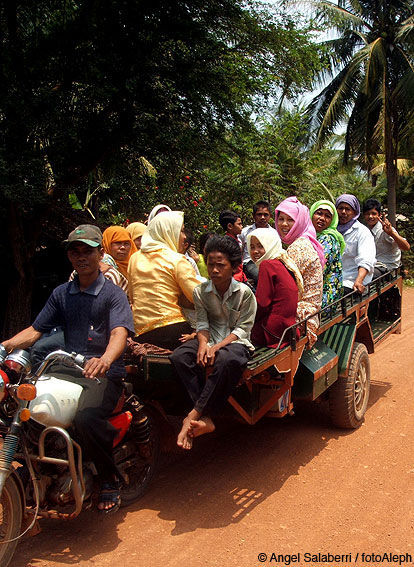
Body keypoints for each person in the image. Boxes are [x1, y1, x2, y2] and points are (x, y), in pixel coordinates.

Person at [1, 224, 134, 513]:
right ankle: (35, 470)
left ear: (100, 253)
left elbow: (119, 334)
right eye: (75, 251)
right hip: (67, 370)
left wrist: (105, 360)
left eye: (88, 251)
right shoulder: (62, 293)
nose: (81, 256)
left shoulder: (113, 294)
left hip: (104, 374)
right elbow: (36, 330)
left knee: (86, 419)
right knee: (24, 409)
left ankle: (109, 479)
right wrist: (5, 345)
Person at [169, 236, 256, 449]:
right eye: (210, 264)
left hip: (237, 343)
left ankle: (194, 413)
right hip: (209, 339)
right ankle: (206, 416)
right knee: (179, 357)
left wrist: (216, 347)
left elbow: (242, 330)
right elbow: (202, 324)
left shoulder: (244, 293)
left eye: (220, 265)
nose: (214, 270)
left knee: (226, 360)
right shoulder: (200, 292)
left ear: (233, 267)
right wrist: (202, 345)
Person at [128, 211, 201, 349]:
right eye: (181, 231)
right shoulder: (176, 259)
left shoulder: (134, 258)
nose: (184, 237)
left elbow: (133, 296)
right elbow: (197, 296)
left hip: (141, 332)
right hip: (172, 329)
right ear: (169, 232)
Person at [275, 197, 324, 348]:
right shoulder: (303, 240)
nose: (284, 224)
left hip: (303, 314)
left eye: (290, 220)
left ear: (300, 221)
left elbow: (286, 288)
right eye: (281, 218)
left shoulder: (298, 247)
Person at [247, 228, 302, 348]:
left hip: (273, 329)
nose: (255, 251)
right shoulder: (281, 262)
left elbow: (262, 303)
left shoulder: (267, 265)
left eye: (260, 246)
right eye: (252, 247)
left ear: (270, 245)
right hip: (288, 327)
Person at [336, 194, 376, 294]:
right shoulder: (331, 230)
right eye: (340, 208)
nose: (343, 212)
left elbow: (366, 259)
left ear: (354, 212)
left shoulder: (362, 232)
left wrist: (358, 281)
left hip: (351, 280)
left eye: (347, 209)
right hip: (333, 280)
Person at [310, 199, 345, 307]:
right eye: (319, 213)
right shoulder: (311, 236)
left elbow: (319, 269)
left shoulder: (328, 239)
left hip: (324, 296)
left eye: (327, 216)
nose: (322, 218)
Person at [362, 198, 410, 278]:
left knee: (365, 276)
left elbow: (406, 247)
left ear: (380, 215)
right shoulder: (364, 230)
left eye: (374, 214)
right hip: (371, 265)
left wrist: (391, 233)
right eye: (367, 214)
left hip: (387, 267)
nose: (370, 216)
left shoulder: (385, 229)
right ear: (364, 215)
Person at [239, 200, 273, 285]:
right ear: (254, 216)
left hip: (269, 263)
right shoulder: (245, 232)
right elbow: (238, 250)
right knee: (260, 276)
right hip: (250, 263)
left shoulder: (274, 233)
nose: (262, 217)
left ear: (270, 216)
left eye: (265, 215)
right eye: (259, 214)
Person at [219, 209, 247, 283]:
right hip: (235, 279)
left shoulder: (237, 240)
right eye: (239, 224)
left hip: (240, 277)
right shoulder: (227, 243)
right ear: (230, 226)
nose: (241, 226)